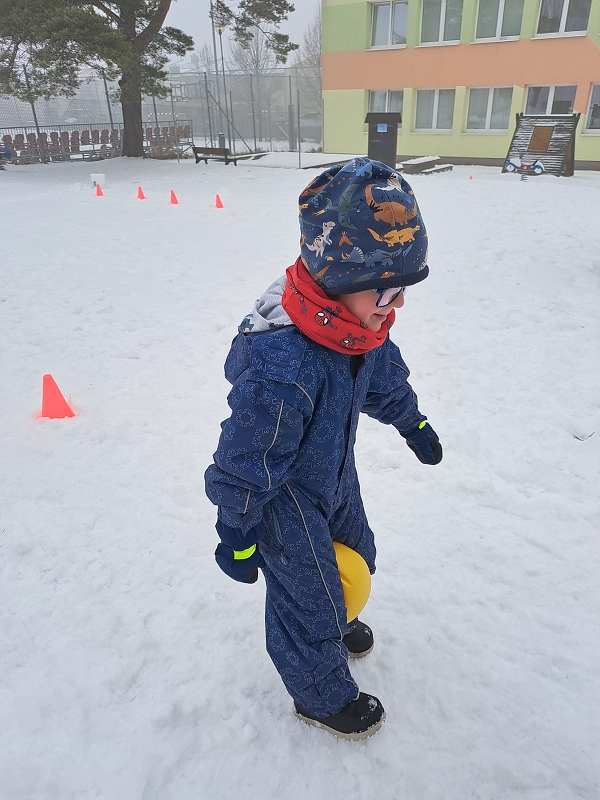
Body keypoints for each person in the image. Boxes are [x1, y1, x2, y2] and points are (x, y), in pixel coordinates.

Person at [204, 158, 443, 741]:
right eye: (388, 290)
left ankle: (336, 618)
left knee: (359, 551)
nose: (398, 304)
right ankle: (321, 695)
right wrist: (236, 530)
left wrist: (412, 423)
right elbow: (248, 455)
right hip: (282, 497)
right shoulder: (283, 364)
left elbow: (380, 373)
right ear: (340, 279)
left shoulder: (355, 326)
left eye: (404, 290)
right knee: (308, 598)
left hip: (335, 475)